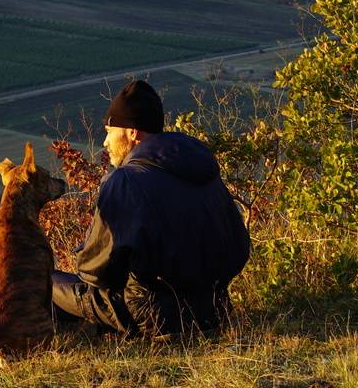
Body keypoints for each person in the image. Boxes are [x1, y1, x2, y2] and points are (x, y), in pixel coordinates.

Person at [52, 79, 250, 337]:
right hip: (214, 309)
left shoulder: (126, 181)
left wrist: (85, 253)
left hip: (153, 317)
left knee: (42, 282)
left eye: (109, 131)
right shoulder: (202, 166)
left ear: (132, 132)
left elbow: (94, 271)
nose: (105, 142)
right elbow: (239, 248)